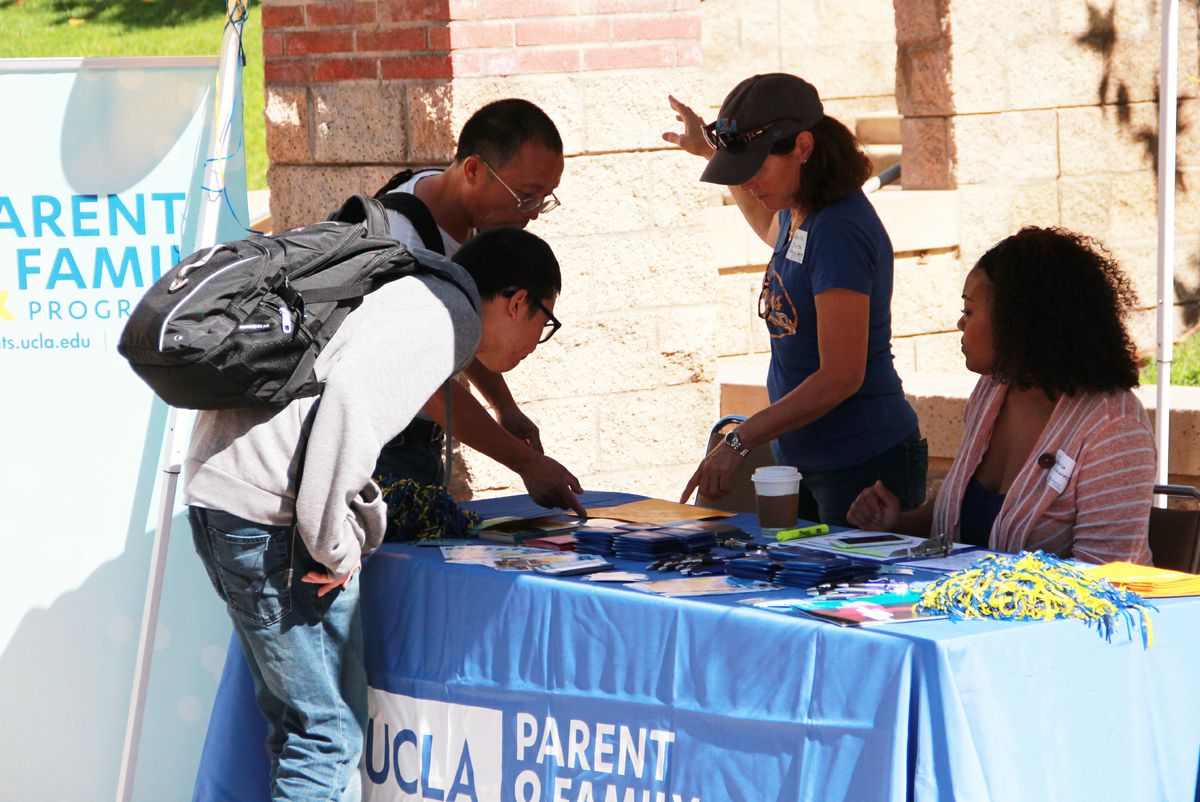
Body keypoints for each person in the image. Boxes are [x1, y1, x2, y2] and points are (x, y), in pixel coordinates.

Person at [184, 228, 565, 800]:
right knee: (327, 736)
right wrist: (334, 542)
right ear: (517, 302)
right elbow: (349, 403)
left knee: (305, 727)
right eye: (546, 322)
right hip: (266, 515)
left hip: (230, 493)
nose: (539, 340)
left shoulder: (415, 290)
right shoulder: (443, 315)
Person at [665, 73, 926, 525]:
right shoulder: (797, 208)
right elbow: (771, 232)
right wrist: (714, 153)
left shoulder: (838, 229)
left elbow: (841, 376)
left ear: (803, 147)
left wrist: (739, 440)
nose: (747, 183)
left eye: (756, 166)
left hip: (862, 466)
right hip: (810, 461)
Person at [848, 227, 1155, 565]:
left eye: (969, 310)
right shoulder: (993, 389)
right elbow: (962, 517)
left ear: (1019, 323)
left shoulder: (1114, 426)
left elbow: (1106, 579)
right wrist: (897, 524)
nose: (960, 323)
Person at [373, 98, 584, 517]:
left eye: (544, 198)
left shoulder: (465, 212)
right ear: (473, 170)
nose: (534, 214)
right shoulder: (403, 246)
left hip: (417, 442)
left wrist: (505, 407)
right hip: (382, 449)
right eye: (526, 196)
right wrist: (526, 464)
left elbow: (456, 331)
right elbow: (428, 382)